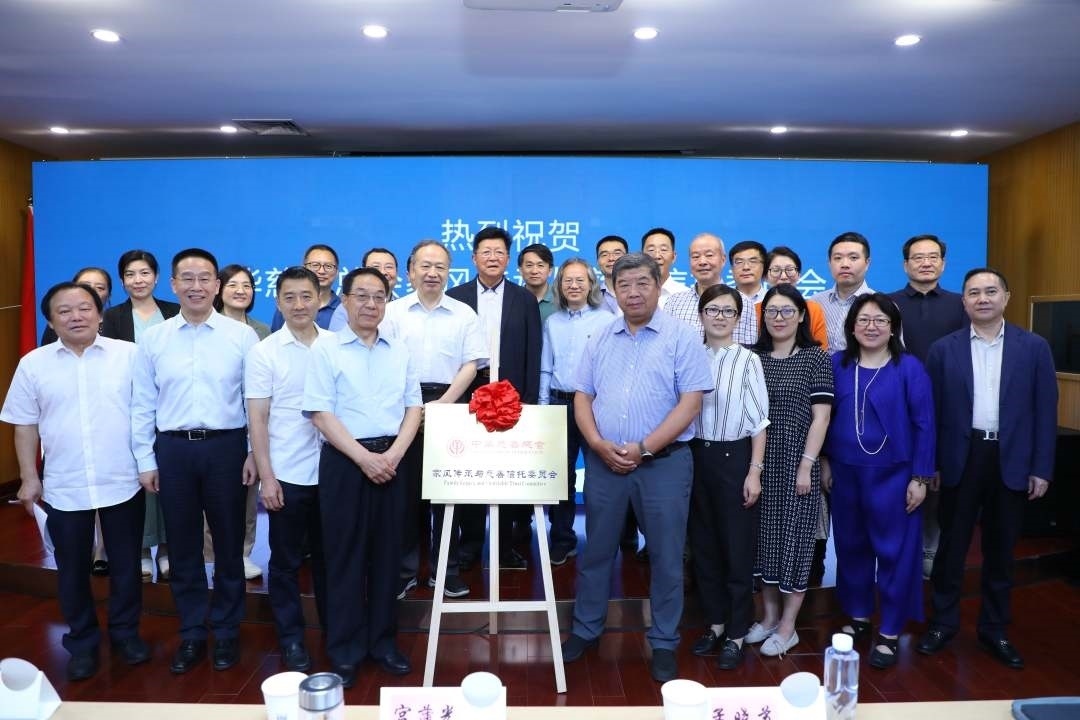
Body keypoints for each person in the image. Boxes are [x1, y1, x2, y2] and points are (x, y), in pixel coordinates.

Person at [560, 253, 712, 684]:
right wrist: (596, 444)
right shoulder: (600, 336)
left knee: (666, 557)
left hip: (664, 464)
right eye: (623, 285)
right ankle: (586, 629)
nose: (633, 293)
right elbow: (582, 396)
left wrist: (644, 448)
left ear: (659, 285)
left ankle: (663, 641)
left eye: (643, 283)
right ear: (612, 289)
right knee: (597, 551)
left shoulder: (683, 336)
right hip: (604, 462)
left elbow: (691, 403)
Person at [2, 282, 150, 681]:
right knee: (71, 569)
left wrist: (148, 464)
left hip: (122, 478)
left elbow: (145, 413)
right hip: (64, 484)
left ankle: (125, 634)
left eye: (85, 308)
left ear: (100, 314)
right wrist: (29, 477)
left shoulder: (129, 355)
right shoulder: (33, 364)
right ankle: (82, 642)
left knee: (125, 565)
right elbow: (24, 425)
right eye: (64, 311)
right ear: (51, 322)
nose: (76, 316)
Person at [917, 268, 1056, 670]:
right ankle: (943, 623)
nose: (982, 299)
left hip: (1011, 459)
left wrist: (1041, 467)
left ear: (1006, 297)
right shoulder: (944, 349)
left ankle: (994, 629)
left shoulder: (1034, 347)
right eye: (974, 293)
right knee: (951, 548)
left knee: (1000, 550)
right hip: (960, 458)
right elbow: (932, 413)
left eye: (990, 291)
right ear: (963, 301)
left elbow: (1045, 411)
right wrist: (932, 464)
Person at [131, 248, 260, 675]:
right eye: (187, 278)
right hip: (173, 450)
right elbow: (142, 402)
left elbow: (255, 401)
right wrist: (145, 458)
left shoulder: (241, 337)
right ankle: (191, 632)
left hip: (227, 448)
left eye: (205, 278)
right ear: (173, 284)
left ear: (217, 285)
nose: (196, 286)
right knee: (183, 546)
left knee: (228, 545)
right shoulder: (155, 339)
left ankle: (226, 630)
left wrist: (253, 452)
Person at [303, 267, 422, 688]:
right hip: (345, 461)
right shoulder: (326, 349)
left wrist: (393, 455)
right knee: (345, 558)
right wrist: (363, 458)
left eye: (379, 297)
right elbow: (320, 413)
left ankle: (383, 644)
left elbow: (413, 408)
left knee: (389, 557)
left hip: (392, 459)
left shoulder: (400, 350)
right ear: (345, 300)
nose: (371, 304)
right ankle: (345, 650)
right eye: (362, 296)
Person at [822, 293, 935, 669]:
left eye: (880, 321)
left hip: (895, 476)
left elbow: (924, 424)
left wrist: (920, 476)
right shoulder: (837, 363)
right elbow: (823, 418)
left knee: (894, 553)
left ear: (893, 328)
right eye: (864, 320)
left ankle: (889, 628)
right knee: (851, 548)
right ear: (851, 327)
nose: (871, 327)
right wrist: (825, 461)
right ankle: (858, 616)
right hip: (845, 473)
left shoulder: (909, 368)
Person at [383, 240, 486, 600]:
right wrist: (413, 406)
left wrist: (443, 404)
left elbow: (471, 365)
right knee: (406, 495)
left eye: (440, 267)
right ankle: (406, 571)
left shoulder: (464, 314)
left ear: (449, 272)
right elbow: (384, 362)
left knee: (447, 494)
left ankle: (446, 571)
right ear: (410, 271)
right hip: (401, 405)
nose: (432, 273)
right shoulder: (392, 313)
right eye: (425, 266)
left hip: (450, 403)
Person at [246, 266, 334, 672]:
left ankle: (336, 634)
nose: (299, 305)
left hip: (333, 472)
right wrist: (267, 477)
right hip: (288, 473)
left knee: (331, 560)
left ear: (320, 299)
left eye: (306, 296)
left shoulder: (337, 345)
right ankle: (292, 639)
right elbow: (258, 418)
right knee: (284, 563)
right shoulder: (265, 352)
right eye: (290, 297)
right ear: (278, 302)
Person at [447, 226, 542, 571]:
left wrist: (529, 400)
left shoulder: (524, 299)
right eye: (485, 252)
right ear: (474, 258)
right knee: (471, 470)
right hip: (467, 391)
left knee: (507, 471)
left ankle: (504, 546)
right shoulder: (455, 297)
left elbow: (534, 351)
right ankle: (471, 543)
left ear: (508, 259)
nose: (492, 257)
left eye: (499, 252)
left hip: (510, 394)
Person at [747, 284, 833, 657]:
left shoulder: (816, 358)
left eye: (786, 311)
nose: (778, 318)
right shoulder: (753, 357)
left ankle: (788, 627)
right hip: (759, 463)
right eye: (771, 311)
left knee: (795, 544)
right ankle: (768, 618)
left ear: (801, 316)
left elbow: (821, 418)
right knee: (764, 544)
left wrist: (807, 464)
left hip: (799, 465)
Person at [687, 284, 769, 670]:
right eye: (712, 310)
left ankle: (737, 632)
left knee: (737, 548)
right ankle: (716, 624)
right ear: (701, 314)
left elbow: (759, 422)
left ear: (738, 318)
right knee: (703, 548)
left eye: (728, 311)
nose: (719, 317)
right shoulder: (688, 354)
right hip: (693, 457)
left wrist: (754, 471)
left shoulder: (748, 360)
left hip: (734, 458)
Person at [887, 234, 967, 579]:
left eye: (933, 257)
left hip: (946, 407)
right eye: (918, 257)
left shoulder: (961, 304)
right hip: (897, 409)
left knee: (936, 482)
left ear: (943, 264)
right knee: (897, 483)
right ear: (905, 264)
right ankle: (897, 554)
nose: (925, 263)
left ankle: (930, 551)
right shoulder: (887, 304)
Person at [101, 249, 182, 582]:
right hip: (131, 408)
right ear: (122, 281)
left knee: (170, 480)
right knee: (140, 479)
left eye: (145, 273)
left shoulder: (174, 311)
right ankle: (142, 549)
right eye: (130, 274)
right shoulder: (113, 317)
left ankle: (167, 548)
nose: (138, 280)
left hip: (174, 408)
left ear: (157, 277)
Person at [539, 258, 614, 566]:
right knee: (560, 477)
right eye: (567, 280)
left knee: (598, 476)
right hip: (558, 404)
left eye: (580, 280)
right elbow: (546, 367)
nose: (573, 285)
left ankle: (600, 541)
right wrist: (543, 408)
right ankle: (562, 540)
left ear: (591, 284)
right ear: (559, 286)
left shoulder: (606, 320)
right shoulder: (552, 322)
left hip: (594, 406)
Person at [210, 264, 270, 580]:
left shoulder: (261, 330)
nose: (241, 290)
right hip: (217, 423)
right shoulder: (208, 326)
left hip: (253, 423)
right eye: (233, 284)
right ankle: (211, 556)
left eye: (247, 285)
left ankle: (244, 553)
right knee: (213, 499)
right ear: (219, 288)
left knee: (247, 495)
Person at [816, 232, 875, 353]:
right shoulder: (815, 303)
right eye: (838, 258)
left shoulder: (881, 305)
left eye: (853, 258)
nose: (845, 264)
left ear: (867, 263)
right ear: (829, 263)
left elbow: (893, 351)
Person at [761, 246, 827, 349]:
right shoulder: (756, 309)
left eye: (790, 269)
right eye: (776, 270)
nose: (783, 276)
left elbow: (821, 349)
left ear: (799, 274)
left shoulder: (813, 309)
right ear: (765, 276)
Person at [664, 232, 727, 335]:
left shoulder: (742, 302)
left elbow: (744, 345)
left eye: (709, 255)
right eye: (696, 256)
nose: (702, 262)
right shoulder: (674, 302)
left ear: (723, 260)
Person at [270, 244, 342, 331]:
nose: (321, 271)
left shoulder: (343, 308)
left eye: (328, 266)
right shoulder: (289, 306)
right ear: (304, 268)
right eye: (315, 265)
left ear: (337, 272)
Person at [327, 247, 402, 329]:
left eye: (389, 267)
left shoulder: (403, 307)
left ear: (397, 272)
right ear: (364, 272)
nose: (383, 272)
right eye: (376, 267)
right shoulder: (347, 307)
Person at [40, 267, 112, 345]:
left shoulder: (115, 321)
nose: (91, 291)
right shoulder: (60, 322)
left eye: (99, 288)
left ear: (109, 295)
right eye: (85, 286)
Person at [727, 240, 768, 345]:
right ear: (732, 268)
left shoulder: (772, 301)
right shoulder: (722, 302)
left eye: (753, 261)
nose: (746, 267)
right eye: (739, 262)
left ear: (764, 267)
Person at [641, 227, 686, 308]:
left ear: (673, 257)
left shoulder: (685, 295)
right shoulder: (631, 294)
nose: (657, 256)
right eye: (651, 250)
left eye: (663, 249)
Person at [518, 242, 557, 324]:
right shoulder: (512, 300)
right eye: (529, 265)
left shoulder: (561, 299)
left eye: (540, 265)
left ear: (550, 271)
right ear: (520, 270)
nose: (534, 271)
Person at [594, 235, 627, 315]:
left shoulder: (642, 292)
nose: (611, 258)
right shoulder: (591, 297)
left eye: (617, 253)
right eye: (604, 255)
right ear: (597, 261)